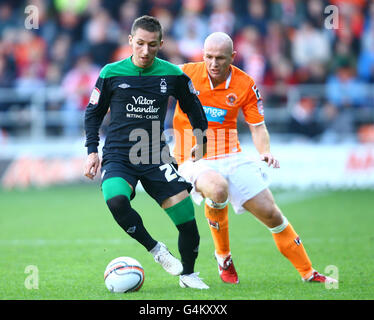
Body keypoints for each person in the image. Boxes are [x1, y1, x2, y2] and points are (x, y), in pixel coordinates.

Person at [172, 32, 338, 285]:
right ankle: (223, 257)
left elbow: (258, 126)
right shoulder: (184, 74)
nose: (213, 63)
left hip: (231, 154)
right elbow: (150, 84)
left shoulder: (245, 84)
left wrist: (265, 152)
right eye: (208, 57)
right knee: (217, 189)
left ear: (233, 57)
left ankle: (308, 272)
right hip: (193, 156)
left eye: (220, 58)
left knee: (271, 214)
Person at [83, 16, 209, 289]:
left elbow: (194, 108)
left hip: (155, 155)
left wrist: (200, 138)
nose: (145, 50)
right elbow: (92, 114)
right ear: (130, 41)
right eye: (139, 43)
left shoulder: (173, 74)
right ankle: (156, 250)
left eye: (152, 45)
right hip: (118, 154)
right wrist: (93, 151)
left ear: (161, 43)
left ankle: (188, 274)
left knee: (186, 219)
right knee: (116, 201)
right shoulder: (110, 73)